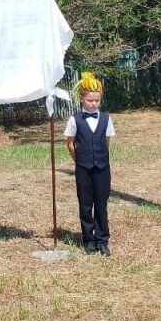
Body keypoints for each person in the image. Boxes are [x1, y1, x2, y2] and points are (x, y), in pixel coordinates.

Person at [64, 71, 116, 257]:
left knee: (101, 204)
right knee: (85, 204)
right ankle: (88, 239)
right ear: (81, 99)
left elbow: (106, 141)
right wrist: (79, 161)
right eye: (90, 100)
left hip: (102, 168)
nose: (94, 103)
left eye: (97, 100)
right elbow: (70, 143)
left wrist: (99, 157)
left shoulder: (106, 119)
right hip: (83, 169)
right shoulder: (75, 120)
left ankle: (102, 240)